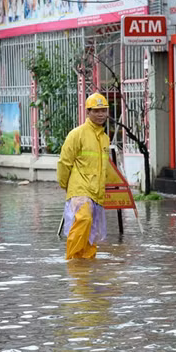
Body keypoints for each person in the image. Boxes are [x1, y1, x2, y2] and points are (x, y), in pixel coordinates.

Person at [57, 93, 111, 260]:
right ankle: (72, 261)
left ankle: (85, 269)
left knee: (92, 231)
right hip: (80, 189)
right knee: (84, 220)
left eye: (104, 110)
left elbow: (104, 167)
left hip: (97, 191)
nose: (101, 114)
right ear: (88, 112)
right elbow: (64, 162)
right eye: (96, 111)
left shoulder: (104, 139)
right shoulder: (77, 134)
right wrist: (66, 186)